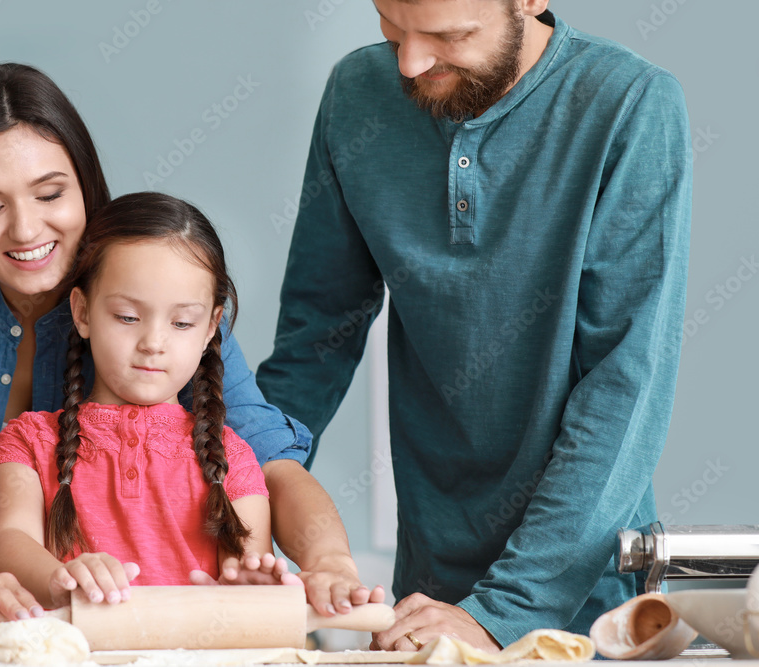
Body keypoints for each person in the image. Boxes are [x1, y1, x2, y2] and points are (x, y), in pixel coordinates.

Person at [0, 63, 381, 663]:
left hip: (91, 622)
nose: (26, 229)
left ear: (85, 184)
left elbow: (269, 463)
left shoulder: (154, 292)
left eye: (50, 194)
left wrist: (329, 563)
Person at [256, 0, 692, 653]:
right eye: (390, 24)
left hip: (578, 598)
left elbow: (624, 383)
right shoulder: (358, 93)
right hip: (425, 592)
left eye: (446, 36)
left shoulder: (629, 106)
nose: (409, 61)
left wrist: (505, 607)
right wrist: (223, 503)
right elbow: (314, 340)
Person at [0, 193, 290, 608]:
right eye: (128, 317)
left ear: (210, 328)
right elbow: (10, 540)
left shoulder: (232, 458)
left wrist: (251, 594)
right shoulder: (28, 441)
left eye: (182, 322)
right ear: (83, 312)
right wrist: (63, 578)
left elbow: (247, 572)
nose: (153, 343)